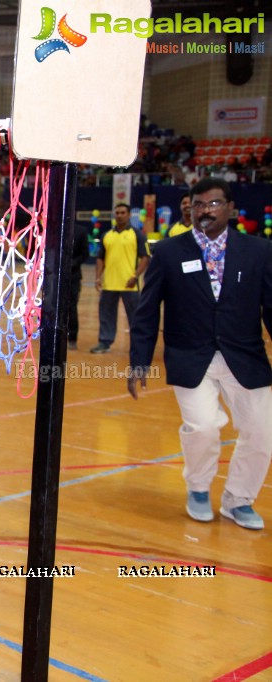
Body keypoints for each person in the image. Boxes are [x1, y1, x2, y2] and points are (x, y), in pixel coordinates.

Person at [129, 178, 272, 531]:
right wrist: (139, 362)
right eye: (198, 205)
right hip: (190, 355)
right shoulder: (167, 251)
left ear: (231, 209)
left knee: (261, 431)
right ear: (189, 209)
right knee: (204, 427)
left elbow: (271, 307)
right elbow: (147, 312)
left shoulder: (258, 251)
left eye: (213, 204)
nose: (205, 211)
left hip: (245, 355)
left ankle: (239, 499)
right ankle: (197, 488)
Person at [90, 203, 150, 353]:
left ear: (129, 215)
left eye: (123, 212)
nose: (119, 215)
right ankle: (105, 342)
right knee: (106, 315)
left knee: (135, 317)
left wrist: (135, 276)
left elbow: (145, 258)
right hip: (109, 284)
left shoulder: (137, 235)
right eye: (117, 213)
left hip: (129, 284)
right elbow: (100, 259)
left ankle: (138, 345)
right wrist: (98, 278)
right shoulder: (107, 235)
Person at [68, 222, 91, 350]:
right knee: (51, 307)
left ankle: (72, 338)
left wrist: (73, 263)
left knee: (71, 307)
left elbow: (85, 253)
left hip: (73, 276)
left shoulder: (81, 230)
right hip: (53, 277)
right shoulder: (53, 230)